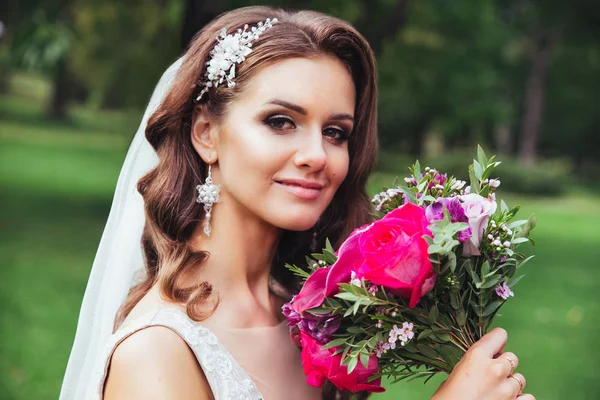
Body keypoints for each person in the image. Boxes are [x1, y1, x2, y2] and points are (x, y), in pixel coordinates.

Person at [59, 6, 534, 400]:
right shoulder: (157, 353)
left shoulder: (308, 318)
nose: (316, 156)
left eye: (335, 133)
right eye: (281, 121)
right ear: (207, 134)